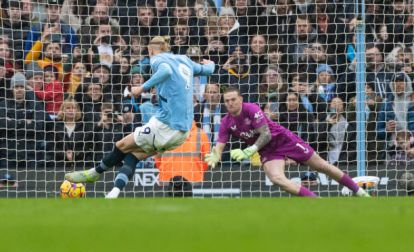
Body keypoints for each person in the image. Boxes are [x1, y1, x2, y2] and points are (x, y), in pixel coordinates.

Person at [65, 36, 215, 198]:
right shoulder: (184, 60)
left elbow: (166, 71)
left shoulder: (157, 59)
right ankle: (114, 192)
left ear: (150, 49)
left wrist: (141, 88)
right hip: (182, 132)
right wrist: (211, 63)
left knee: (121, 144)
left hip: (166, 124)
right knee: (134, 155)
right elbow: (209, 70)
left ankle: (94, 173)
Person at [204, 87, 370, 197]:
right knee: (276, 178)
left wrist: (250, 150)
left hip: (283, 140)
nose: (230, 103)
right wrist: (215, 156)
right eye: (227, 101)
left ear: (240, 99)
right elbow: (219, 145)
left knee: (321, 166)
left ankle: (359, 191)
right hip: (268, 151)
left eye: (233, 99)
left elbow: (266, 134)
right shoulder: (226, 122)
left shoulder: (251, 108)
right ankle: (317, 201)